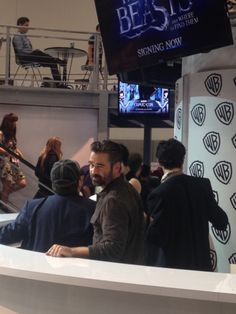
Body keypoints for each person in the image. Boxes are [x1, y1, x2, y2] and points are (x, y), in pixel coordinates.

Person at [46, 140, 145, 265]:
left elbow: (112, 249)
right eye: (91, 164)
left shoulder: (113, 200)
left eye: (100, 166)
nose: (93, 171)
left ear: (117, 168)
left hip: (113, 276)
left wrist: (71, 251)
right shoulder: (126, 190)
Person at [146, 138, 229, 271]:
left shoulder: (158, 193)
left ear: (159, 162)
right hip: (201, 267)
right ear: (182, 159)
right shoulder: (202, 185)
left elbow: (156, 238)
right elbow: (221, 222)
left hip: (173, 270)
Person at [0, 159, 96, 252]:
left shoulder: (33, 207)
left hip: (36, 267)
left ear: (52, 182)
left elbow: (9, 234)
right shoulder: (94, 208)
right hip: (80, 267)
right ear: (79, 181)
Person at [13, 17, 66, 84]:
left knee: (52, 63)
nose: (28, 28)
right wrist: (33, 53)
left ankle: (58, 83)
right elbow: (21, 51)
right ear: (20, 25)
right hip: (24, 58)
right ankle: (56, 60)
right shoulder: (17, 36)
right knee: (37, 52)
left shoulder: (24, 37)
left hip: (30, 56)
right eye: (26, 25)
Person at [0, 113, 26, 210]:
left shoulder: (11, 135)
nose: (16, 124)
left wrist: (19, 154)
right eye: (14, 122)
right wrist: (9, 153)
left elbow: (14, 147)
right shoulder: (1, 133)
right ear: (8, 123)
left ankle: (3, 195)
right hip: (5, 164)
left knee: (22, 183)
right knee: (7, 186)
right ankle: (3, 207)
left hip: (13, 163)